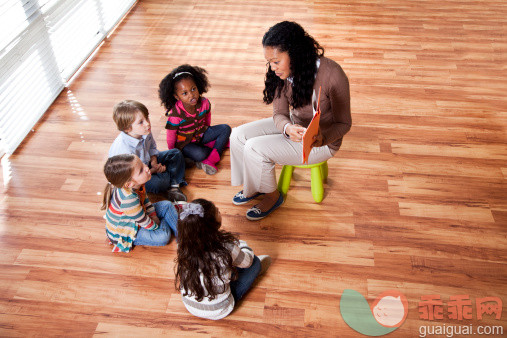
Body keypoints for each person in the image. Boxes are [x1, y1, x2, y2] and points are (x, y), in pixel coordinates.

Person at [230, 21, 351, 220]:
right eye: (269, 62)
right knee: (237, 135)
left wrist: (322, 138)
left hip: (321, 142)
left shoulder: (333, 74)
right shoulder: (280, 73)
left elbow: (344, 123)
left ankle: (272, 196)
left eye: (276, 61)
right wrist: (287, 128)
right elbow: (279, 113)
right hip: (295, 126)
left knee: (254, 147)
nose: (272, 68)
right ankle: (255, 187)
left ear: (295, 54)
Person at [175, 199, 271, 320]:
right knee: (255, 262)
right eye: (217, 212)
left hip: (190, 305)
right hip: (220, 310)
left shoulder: (182, 246)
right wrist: (241, 245)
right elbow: (248, 261)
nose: (219, 211)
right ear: (214, 224)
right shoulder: (226, 247)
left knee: (218, 269)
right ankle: (254, 270)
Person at [159, 64, 231, 175]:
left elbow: (207, 119)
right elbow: (171, 136)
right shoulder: (175, 115)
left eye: (193, 89)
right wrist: (174, 152)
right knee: (200, 154)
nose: (191, 95)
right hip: (185, 144)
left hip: (200, 135)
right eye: (185, 93)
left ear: (198, 86)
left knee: (226, 128)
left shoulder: (205, 102)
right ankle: (214, 148)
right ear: (177, 96)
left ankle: (212, 159)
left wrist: (207, 130)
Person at [108, 100, 187, 202]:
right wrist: (154, 170)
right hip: (135, 177)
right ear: (127, 128)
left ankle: (174, 186)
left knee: (176, 153)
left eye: (147, 118)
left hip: (146, 163)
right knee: (160, 183)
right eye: (141, 122)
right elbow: (134, 177)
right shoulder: (124, 151)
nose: (147, 123)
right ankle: (173, 175)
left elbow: (152, 148)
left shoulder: (144, 130)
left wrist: (154, 162)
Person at [101, 154, 178, 253]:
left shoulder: (137, 184)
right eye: (141, 170)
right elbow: (144, 221)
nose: (146, 168)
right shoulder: (128, 200)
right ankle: (170, 223)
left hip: (138, 215)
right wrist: (155, 224)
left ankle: (183, 234)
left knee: (167, 205)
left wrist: (153, 215)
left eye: (143, 164)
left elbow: (145, 201)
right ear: (129, 184)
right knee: (163, 237)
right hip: (128, 231)